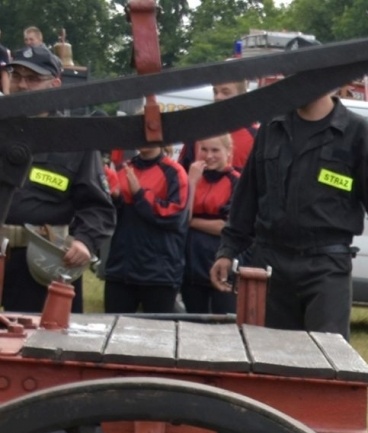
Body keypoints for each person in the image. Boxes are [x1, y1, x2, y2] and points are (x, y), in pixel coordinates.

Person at [211, 92, 368, 337]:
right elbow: (246, 197)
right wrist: (227, 251)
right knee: (270, 357)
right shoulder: (272, 127)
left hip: (326, 266)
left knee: (327, 360)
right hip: (271, 263)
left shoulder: (355, 131)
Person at [0, 45, 114, 314]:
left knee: (41, 345)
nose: (22, 85)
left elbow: (98, 207)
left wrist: (84, 241)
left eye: (33, 79)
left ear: (55, 84)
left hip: (43, 261)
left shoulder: (74, 140)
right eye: (16, 76)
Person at [102, 145, 188, 314]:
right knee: (115, 335)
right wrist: (116, 199)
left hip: (158, 275)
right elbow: (112, 217)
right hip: (121, 270)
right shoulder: (124, 168)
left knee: (159, 337)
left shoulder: (174, 172)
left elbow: (174, 217)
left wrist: (140, 195)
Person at [183, 134, 240, 315]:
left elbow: (226, 227)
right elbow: (181, 219)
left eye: (215, 150)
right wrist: (191, 182)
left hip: (223, 262)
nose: (209, 156)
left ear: (228, 152)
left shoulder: (236, 180)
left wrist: (192, 222)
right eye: (204, 149)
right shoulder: (193, 177)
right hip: (192, 264)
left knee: (223, 321)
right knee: (193, 321)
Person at [178, 81, 258, 172]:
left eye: (225, 92)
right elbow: (183, 175)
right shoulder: (199, 132)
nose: (218, 97)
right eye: (215, 92)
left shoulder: (257, 136)